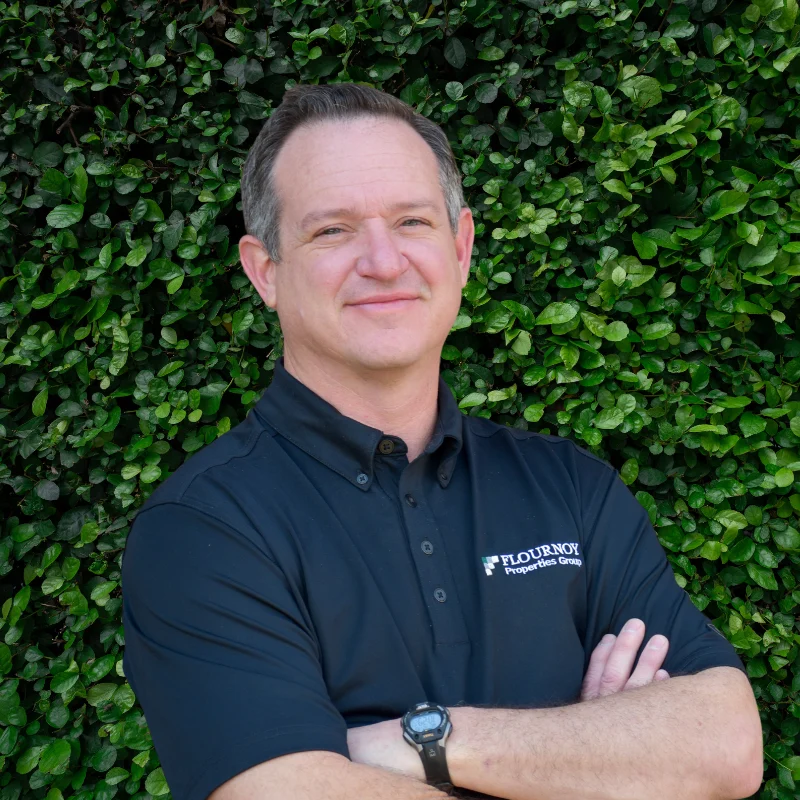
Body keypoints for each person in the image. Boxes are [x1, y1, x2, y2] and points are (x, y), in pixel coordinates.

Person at [120, 83, 763, 800]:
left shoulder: (570, 487)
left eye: (412, 221)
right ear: (265, 271)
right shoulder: (205, 528)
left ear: (460, 249)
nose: (384, 261)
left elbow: (725, 742)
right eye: (331, 230)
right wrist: (594, 756)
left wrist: (417, 744)